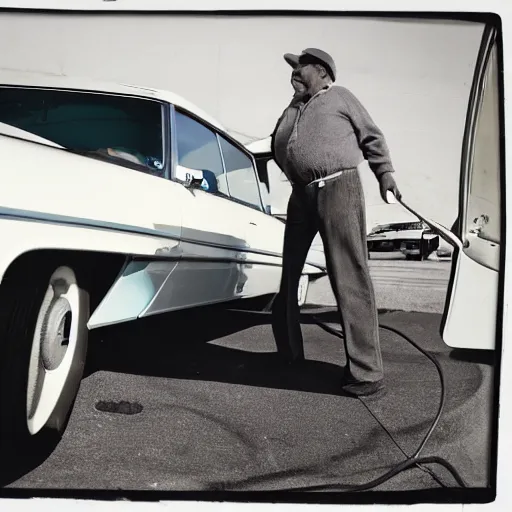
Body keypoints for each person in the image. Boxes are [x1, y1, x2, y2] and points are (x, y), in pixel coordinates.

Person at [270, 48, 401, 397]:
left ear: (323, 72)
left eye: (301, 68)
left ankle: (367, 374)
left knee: (349, 274)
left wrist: (385, 174)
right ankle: (288, 355)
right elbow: (277, 145)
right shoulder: (292, 108)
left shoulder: (341, 97)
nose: (294, 73)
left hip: (338, 187)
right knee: (289, 274)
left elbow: (371, 136)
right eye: (293, 69)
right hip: (301, 195)